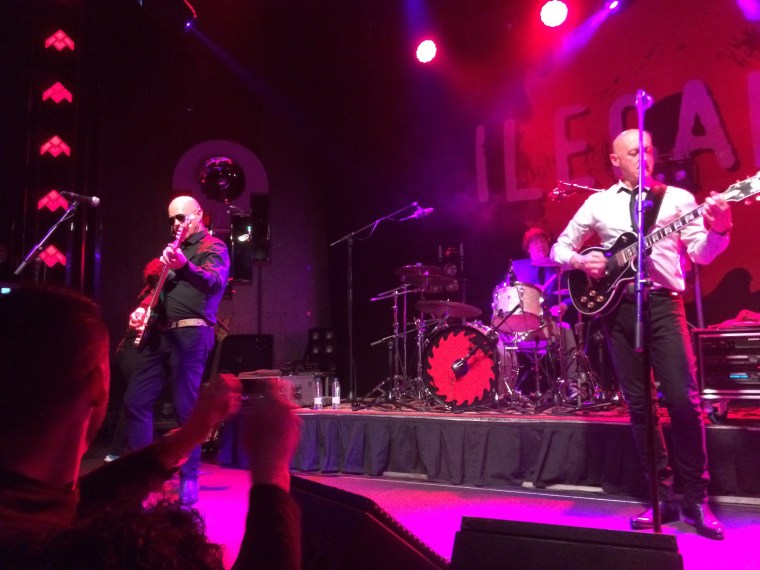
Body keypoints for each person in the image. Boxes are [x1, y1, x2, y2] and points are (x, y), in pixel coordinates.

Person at [0, 286, 303, 569]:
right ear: (97, 387)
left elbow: (82, 500)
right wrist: (272, 471)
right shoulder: (107, 553)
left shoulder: (28, 512)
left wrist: (190, 434)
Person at [550, 129, 732, 540]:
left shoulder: (678, 199)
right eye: (634, 152)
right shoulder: (598, 203)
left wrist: (720, 229)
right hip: (619, 309)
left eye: (649, 149)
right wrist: (582, 261)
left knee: (683, 402)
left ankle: (696, 498)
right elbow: (559, 248)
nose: (644, 157)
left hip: (665, 304)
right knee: (640, 407)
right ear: (615, 160)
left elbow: (700, 253)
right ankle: (660, 496)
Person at [125, 195, 230, 505]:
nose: (176, 223)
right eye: (171, 219)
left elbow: (214, 283)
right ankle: (143, 476)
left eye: (181, 217)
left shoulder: (213, 247)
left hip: (192, 333)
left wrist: (184, 266)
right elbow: (155, 292)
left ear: (198, 215)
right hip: (159, 334)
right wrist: (142, 310)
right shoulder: (171, 251)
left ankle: (190, 477)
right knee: (135, 401)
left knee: (186, 408)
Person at [506, 227, 579, 389]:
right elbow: (505, 295)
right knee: (499, 335)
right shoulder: (518, 267)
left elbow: (571, 295)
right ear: (528, 249)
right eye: (535, 243)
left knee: (566, 329)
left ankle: (573, 383)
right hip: (522, 326)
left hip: (549, 324)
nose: (540, 245)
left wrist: (563, 305)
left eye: (543, 241)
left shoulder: (559, 268)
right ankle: (506, 387)